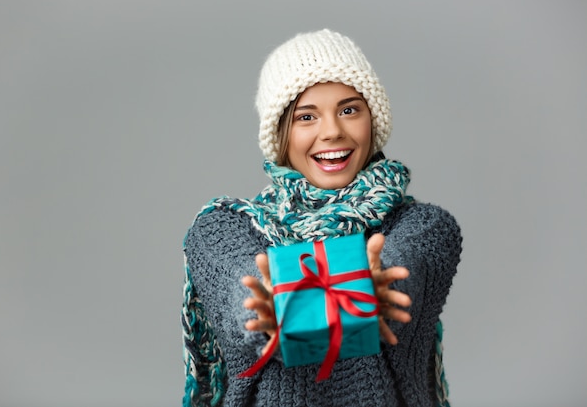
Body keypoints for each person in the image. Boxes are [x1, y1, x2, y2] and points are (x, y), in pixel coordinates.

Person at [181, 29, 462, 407]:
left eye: (349, 110)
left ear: (372, 120)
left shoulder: (424, 226)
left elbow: (401, 278)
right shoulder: (221, 228)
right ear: (280, 134)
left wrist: (296, 300)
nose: (332, 131)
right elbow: (242, 297)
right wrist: (269, 308)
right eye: (306, 116)